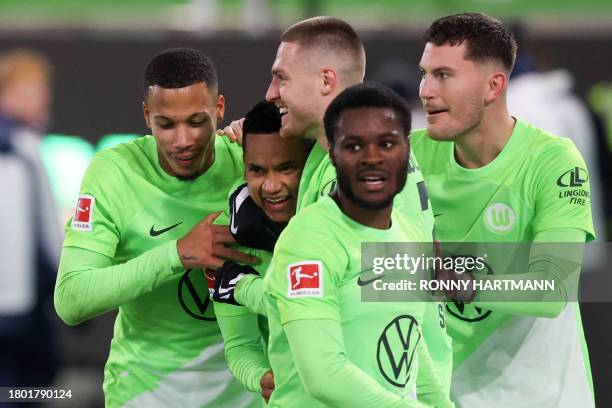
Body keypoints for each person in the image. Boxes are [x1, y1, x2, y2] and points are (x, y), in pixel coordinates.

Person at [219, 16, 453, 394]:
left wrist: (241, 287)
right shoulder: (324, 158)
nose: (271, 93)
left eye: (282, 78)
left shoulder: (357, 187)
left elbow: (384, 309)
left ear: (327, 80)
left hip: (374, 388)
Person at [54, 48, 260, 407]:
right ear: (147, 116)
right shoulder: (114, 173)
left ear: (220, 109)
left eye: (197, 121)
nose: (182, 141)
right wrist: (177, 254)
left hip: (245, 392)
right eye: (166, 124)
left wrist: (270, 148)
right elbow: (71, 299)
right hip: (145, 394)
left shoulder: (252, 162)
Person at [413, 13, 595, 407]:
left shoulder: (552, 160)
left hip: (541, 397)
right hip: (444, 395)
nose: (426, 90)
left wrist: (456, 281)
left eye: (443, 75)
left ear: (494, 85)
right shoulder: (409, 155)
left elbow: (553, 288)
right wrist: (242, 145)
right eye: (424, 74)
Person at [264, 83, 452, 408]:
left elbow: (409, 340)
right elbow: (324, 376)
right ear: (332, 153)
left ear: (406, 150)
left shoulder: (407, 233)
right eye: (353, 146)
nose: (372, 158)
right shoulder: (310, 241)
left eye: (387, 143)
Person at [212, 100, 311, 404]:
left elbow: (319, 306)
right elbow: (240, 345)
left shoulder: (339, 216)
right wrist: (261, 377)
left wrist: (241, 286)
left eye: (286, 168)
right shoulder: (227, 233)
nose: (271, 186)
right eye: (256, 170)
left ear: (311, 162)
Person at [0, 49, 62, 397]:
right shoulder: (17, 151)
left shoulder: (25, 147)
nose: (44, 97)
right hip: (15, 314)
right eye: (33, 88)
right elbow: (41, 239)